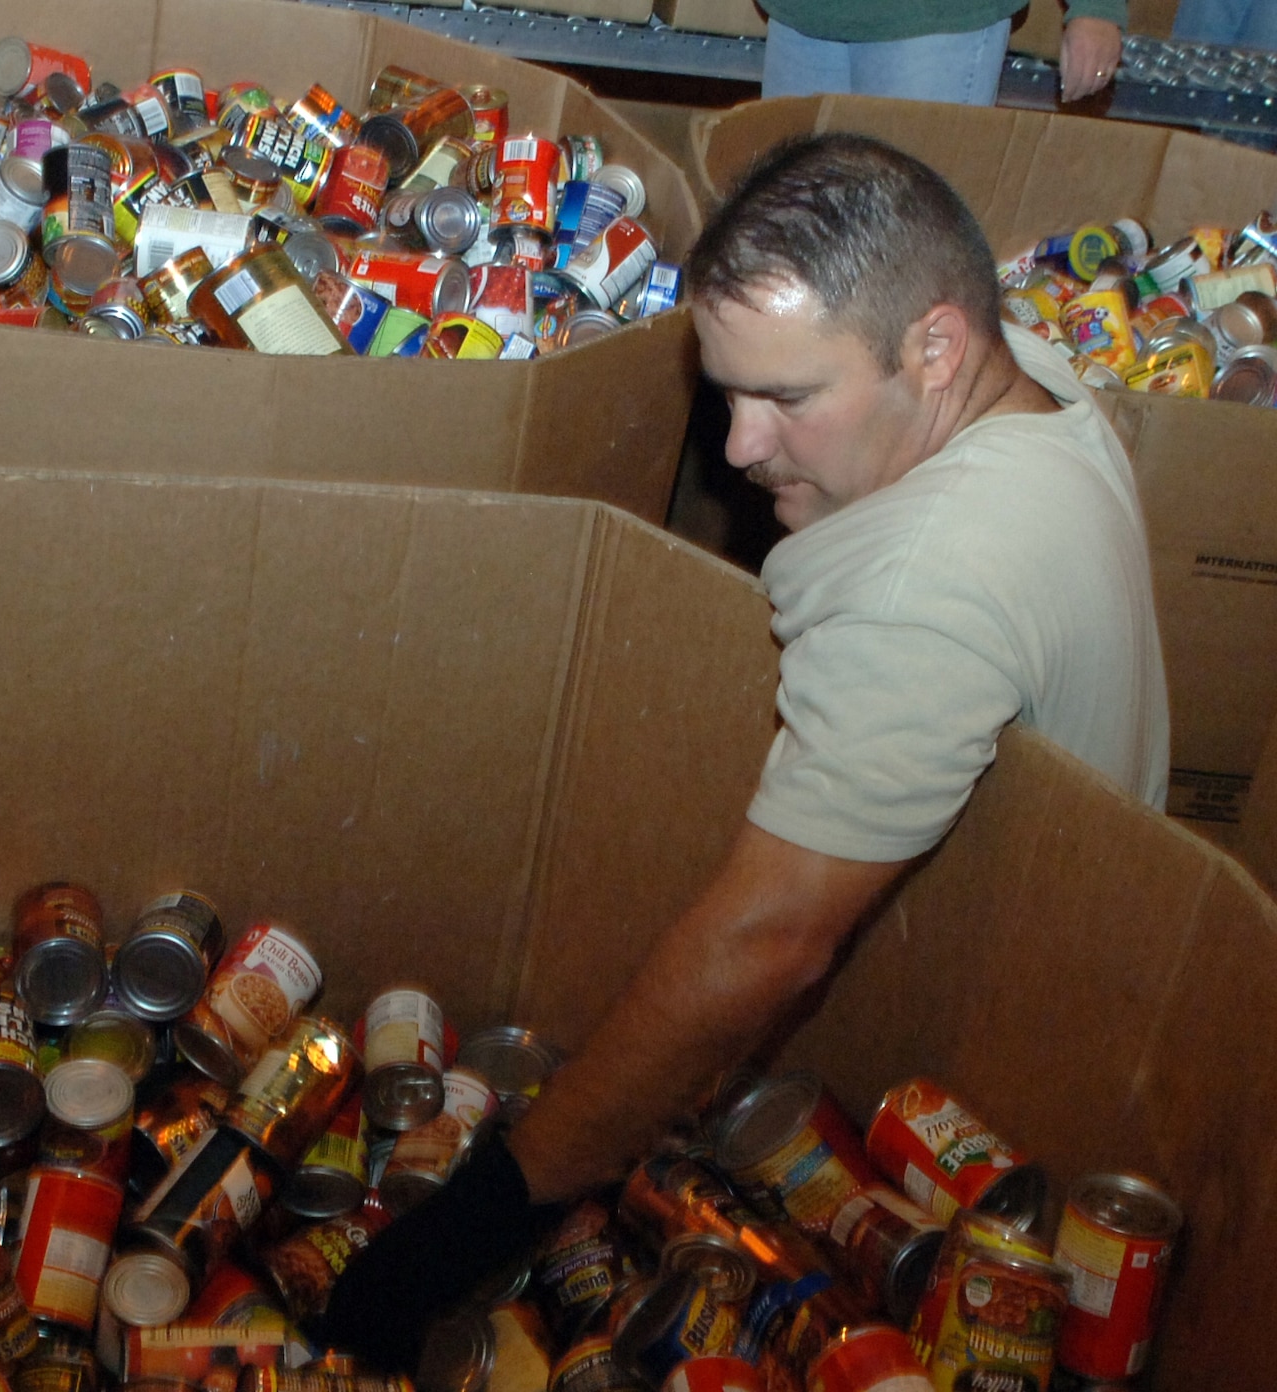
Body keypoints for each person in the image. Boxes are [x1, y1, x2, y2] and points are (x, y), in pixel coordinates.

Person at [316, 133, 1169, 1368]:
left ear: (933, 348)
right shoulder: (1028, 381)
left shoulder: (920, 588)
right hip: (1055, 985)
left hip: (993, 1104)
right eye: (725, 391)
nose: (735, 448)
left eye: (786, 399)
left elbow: (767, 941)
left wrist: (490, 1212)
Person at [759, 0, 1126, 106]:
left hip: (935, 20)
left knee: (911, 234)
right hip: (803, 14)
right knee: (786, 230)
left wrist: (1097, 9)